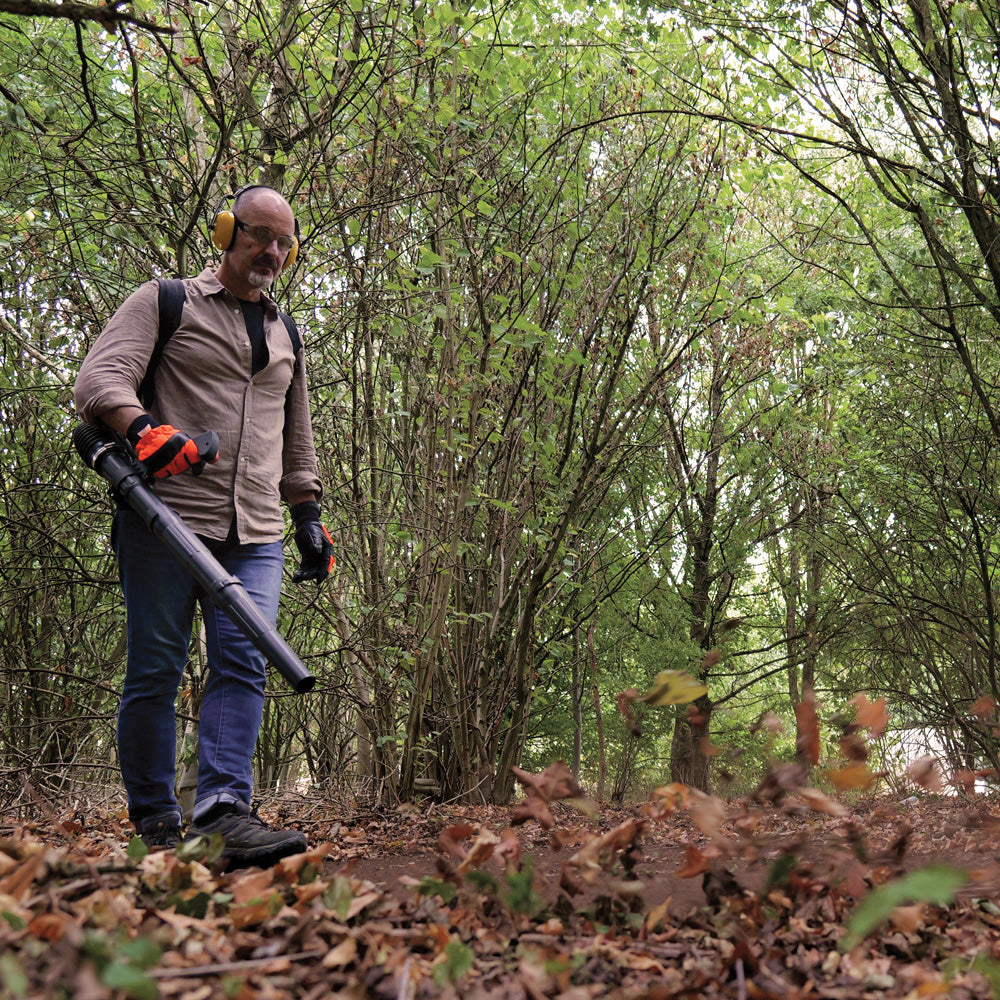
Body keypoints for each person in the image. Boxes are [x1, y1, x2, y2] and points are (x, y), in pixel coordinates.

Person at [74, 185, 333, 867]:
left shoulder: (286, 334)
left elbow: (295, 438)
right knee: (156, 670)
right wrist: (144, 429)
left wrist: (306, 514)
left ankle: (221, 816)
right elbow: (99, 381)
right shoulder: (165, 301)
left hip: (255, 532)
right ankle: (158, 821)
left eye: (283, 242)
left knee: (245, 661)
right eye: (258, 235)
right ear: (227, 232)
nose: (271, 251)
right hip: (166, 523)